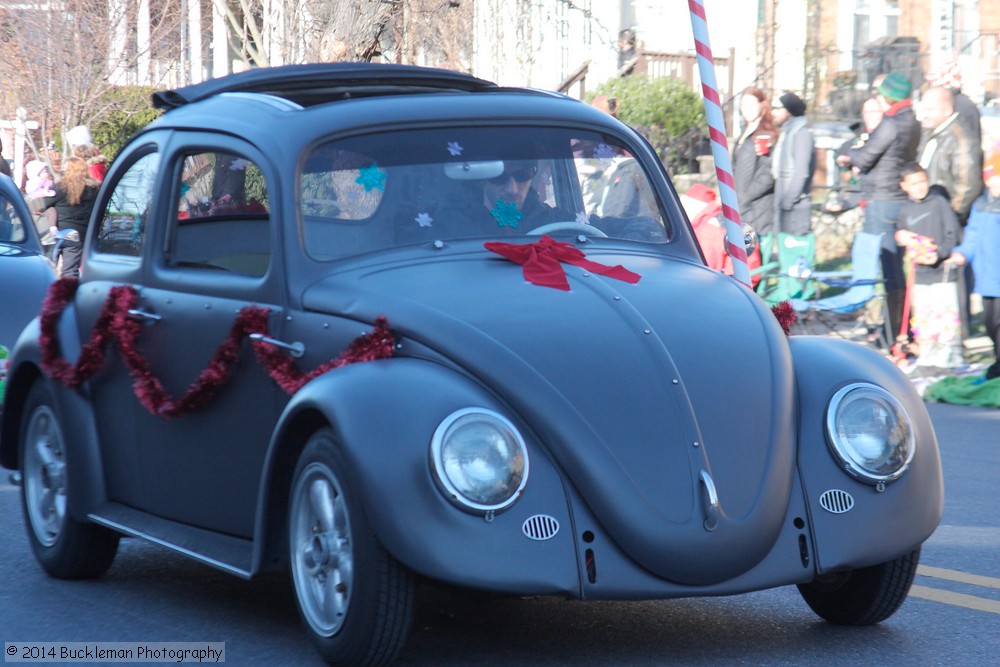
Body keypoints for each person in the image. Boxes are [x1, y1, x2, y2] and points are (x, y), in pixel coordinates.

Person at [836, 71, 921, 338]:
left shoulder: (891, 122)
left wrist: (851, 155)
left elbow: (865, 158)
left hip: (882, 200)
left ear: (888, 96)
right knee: (896, 266)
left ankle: (893, 331)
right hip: (898, 197)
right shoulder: (913, 122)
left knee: (888, 268)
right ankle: (897, 328)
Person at [894, 163, 963, 371]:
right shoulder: (905, 209)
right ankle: (928, 353)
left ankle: (949, 356)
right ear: (904, 186)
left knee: (945, 316)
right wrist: (901, 236)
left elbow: (953, 233)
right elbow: (900, 232)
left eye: (922, 181)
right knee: (924, 316)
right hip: (919, 274)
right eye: (913, 184)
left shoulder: (939, 203)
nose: (919, 187)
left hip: (941, 272)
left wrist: (939, 254)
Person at [946, 153, 1000, 382]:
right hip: (987, 276)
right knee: (990, 324)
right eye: (990, 178)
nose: (993, 183)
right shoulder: (982, 203)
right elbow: (973, 234)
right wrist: (962, 252)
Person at [918, 86, 983, 226]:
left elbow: (968, 186)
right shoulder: (932, 132)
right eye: (924, 109)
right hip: (928, 212)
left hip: (945, 218)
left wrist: (950, 217)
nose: (925, 114)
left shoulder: (961, 139)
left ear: (947, 110)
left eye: (930, 110)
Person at [38, 156, 100, 278]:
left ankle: (44, 293)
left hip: (56, 232)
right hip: (78, 234)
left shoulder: (60, 187)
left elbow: (42, 204)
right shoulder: (93, 190)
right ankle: (67, 294)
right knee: (70, 271)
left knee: (47, 268)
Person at [732, 87, 777, 244]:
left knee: (755, 257)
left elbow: (767, 175)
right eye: (744, 105)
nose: (747, 109)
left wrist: (745, 196)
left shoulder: (765, 135)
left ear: (761, 105)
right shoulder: (744, 133)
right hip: (740, 205)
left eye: (752, 104)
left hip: (757, 209)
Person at [770, 92, 815, 236]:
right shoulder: (787, 132)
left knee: (794, 255)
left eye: (777, 108)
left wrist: (787, 202)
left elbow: (801, 173)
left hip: (795, 208)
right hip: (786, 204)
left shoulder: (801, 133)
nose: (773, 112)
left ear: (788, 111)